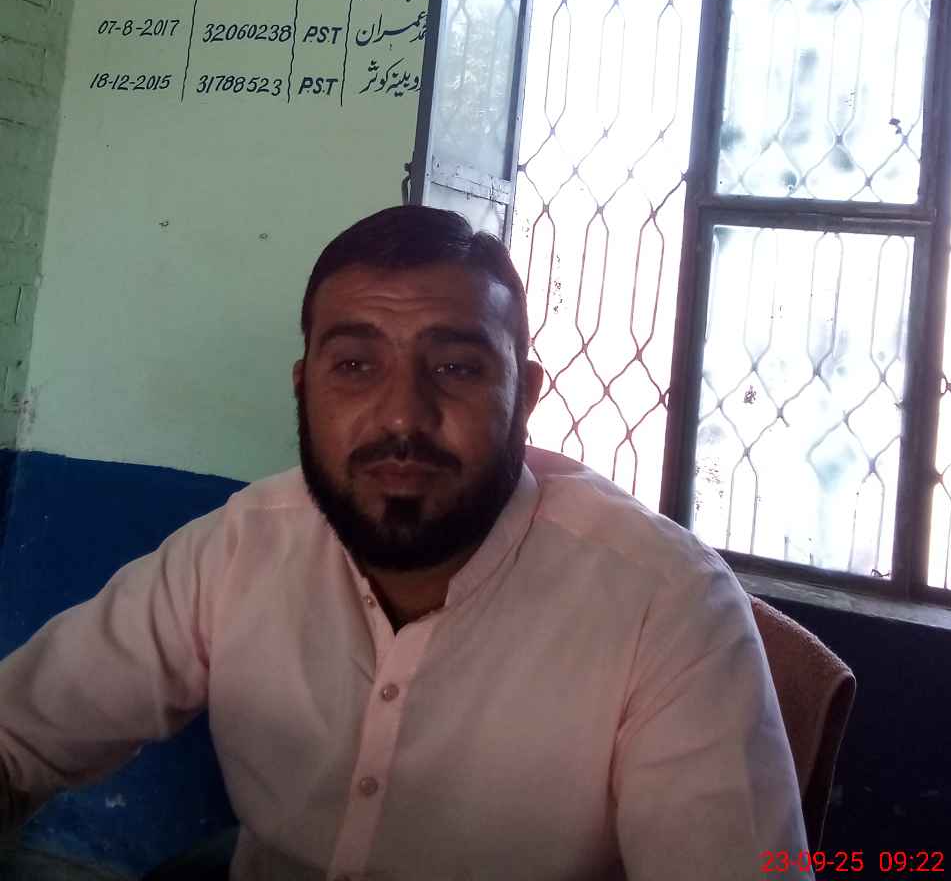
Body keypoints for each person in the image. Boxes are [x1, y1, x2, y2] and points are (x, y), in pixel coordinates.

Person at [0, 205, 806, 880]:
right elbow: (18, 734)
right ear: (303, 387)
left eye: (456, 369)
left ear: (525, 395)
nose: (401, 417)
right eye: (355, 365)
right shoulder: (243, 545)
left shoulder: (667, 605)